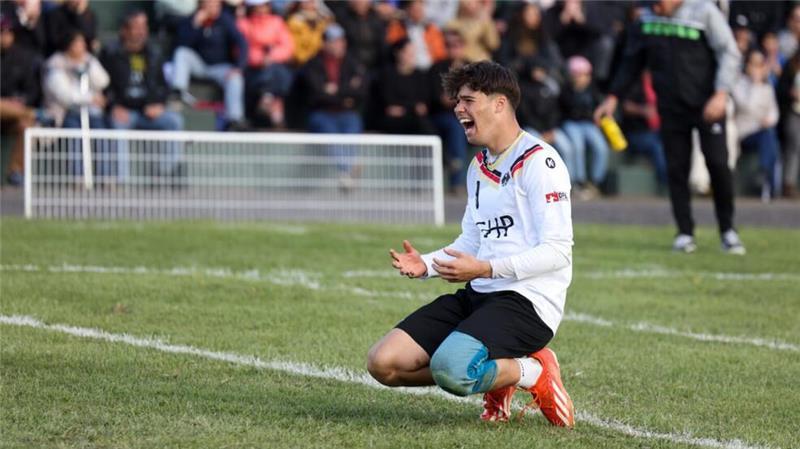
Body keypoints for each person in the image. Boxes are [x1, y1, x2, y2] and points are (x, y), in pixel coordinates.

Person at [368, 61, 575, 427]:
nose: (458, 109)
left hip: (527, 303)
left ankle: (531, 371)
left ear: (499, 104)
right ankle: (498, 370)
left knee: (452, 369)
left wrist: (487, 268)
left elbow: (558, 252)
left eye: (467, 100)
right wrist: (427, 265)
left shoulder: (540, 161)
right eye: (456, 101)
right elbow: (473, 239)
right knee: (383, 364)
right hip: (481, 294)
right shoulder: (479, 165)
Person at [595, 0, 746, 255]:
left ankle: (728, 231)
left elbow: (729, 52)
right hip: (670, 106)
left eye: (658, 2)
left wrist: (721, 93)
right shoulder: (646, 19)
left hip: (708, 103)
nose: (654, 8)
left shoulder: (704, 12)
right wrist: (612, 97)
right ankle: (685, 232)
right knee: (677, 169)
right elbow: (632, 61)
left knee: (718, 165)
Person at [100, 10, 184, 183]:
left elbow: (163, 86)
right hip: (124, 112)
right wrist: (112, 106)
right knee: (117, 124)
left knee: (174, 121)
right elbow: (102, 87)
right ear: (125, 30)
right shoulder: (110, 53)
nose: (141, 31)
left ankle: (164, 175)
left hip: (149, 112)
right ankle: (120, 181)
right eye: (136, 27)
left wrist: (159, 104)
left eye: (144, 26)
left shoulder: (154, 53)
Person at [170, 0, 248, 130]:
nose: (213, 8)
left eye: (217, 5)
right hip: (198, 65)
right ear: (202, 6)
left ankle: (234, 119)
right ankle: (178, 91)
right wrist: (195, 25)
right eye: (210, 5)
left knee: (236, 78)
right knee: (182, 53)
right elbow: (182, 45)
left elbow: (242, 43)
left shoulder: (225, 20)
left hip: (220, 67)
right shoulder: (191, 20)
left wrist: (239, 67)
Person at [42, 29, 110, 178]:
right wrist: (90, 98)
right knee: (74, 133)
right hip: (64, 112)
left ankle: (105, 176)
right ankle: (77, 176)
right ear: (68, 45)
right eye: (77, 43)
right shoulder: (55, 64)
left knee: (101, 131)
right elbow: (64, 96)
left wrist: (88, 65)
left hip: (90, 111)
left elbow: (103, 81)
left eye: (82, 43)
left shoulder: (88, 60)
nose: (82, 46)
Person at [732, 49, 780, 201]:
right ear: (747, 65)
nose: (757, 68)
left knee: (770, 136)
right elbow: (747, 106)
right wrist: (755, 83)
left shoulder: (767, 87)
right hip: (743, 133)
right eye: (754, 64)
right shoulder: (738, 84)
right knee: (769, 138)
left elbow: (774, 112)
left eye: (760, 64)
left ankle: (766, 179)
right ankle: (767, 181)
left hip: (762, 133)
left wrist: (769, 120)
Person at [236, 0, 294, 128]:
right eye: (257, 7)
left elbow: (288, 47)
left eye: (264, 6)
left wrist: (270, 57)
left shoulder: (277, 22)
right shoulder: (243, 24)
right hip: (252, 71)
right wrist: (260, 59)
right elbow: (240, 49)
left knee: (278, 71)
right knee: (277, 73)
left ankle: (267, 98)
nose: (261, 10)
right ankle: (274, 109)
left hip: (273, 68)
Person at [560, 55, 609, 199]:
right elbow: (564, 110)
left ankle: (595, 182)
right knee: (577, 145)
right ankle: (578, 181)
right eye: (577, 74)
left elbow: (599, 108)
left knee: (601, 146)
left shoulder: (593, 90)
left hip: (589, 124)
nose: (580, 78)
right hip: (571, 123)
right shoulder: (566, 90)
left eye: (584, 74)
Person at [0, 14, 41, 186]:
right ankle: (31, 113)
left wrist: (19, 101)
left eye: (6, 31)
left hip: (11, 115)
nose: (3, 35)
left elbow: (32, 90)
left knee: (26, 124)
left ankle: (15, 172)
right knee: (29, 114)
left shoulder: (22, 57)